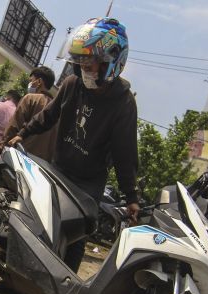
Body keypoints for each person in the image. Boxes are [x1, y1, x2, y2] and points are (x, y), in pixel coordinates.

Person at [7, 17, 139, 273]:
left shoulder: (124, 103)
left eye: (92, 64)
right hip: (59, 167)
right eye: (81, 62)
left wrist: (131, 196)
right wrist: (22, 133)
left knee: (76, 235)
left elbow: (126, 153)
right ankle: (19, 273)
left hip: (88, 183)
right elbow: (48, 115)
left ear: (113, 62)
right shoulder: (72, 83)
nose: (85, 69)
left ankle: (62, 290)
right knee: (39, 221)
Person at [0, 66, 57, 161]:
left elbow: (13, 126)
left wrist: (1, 147)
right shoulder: (57, 109)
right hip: (43, 165)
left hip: (21, 157)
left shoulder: (30, 99)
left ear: (39, 82)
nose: (29, 84)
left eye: (31, 80)